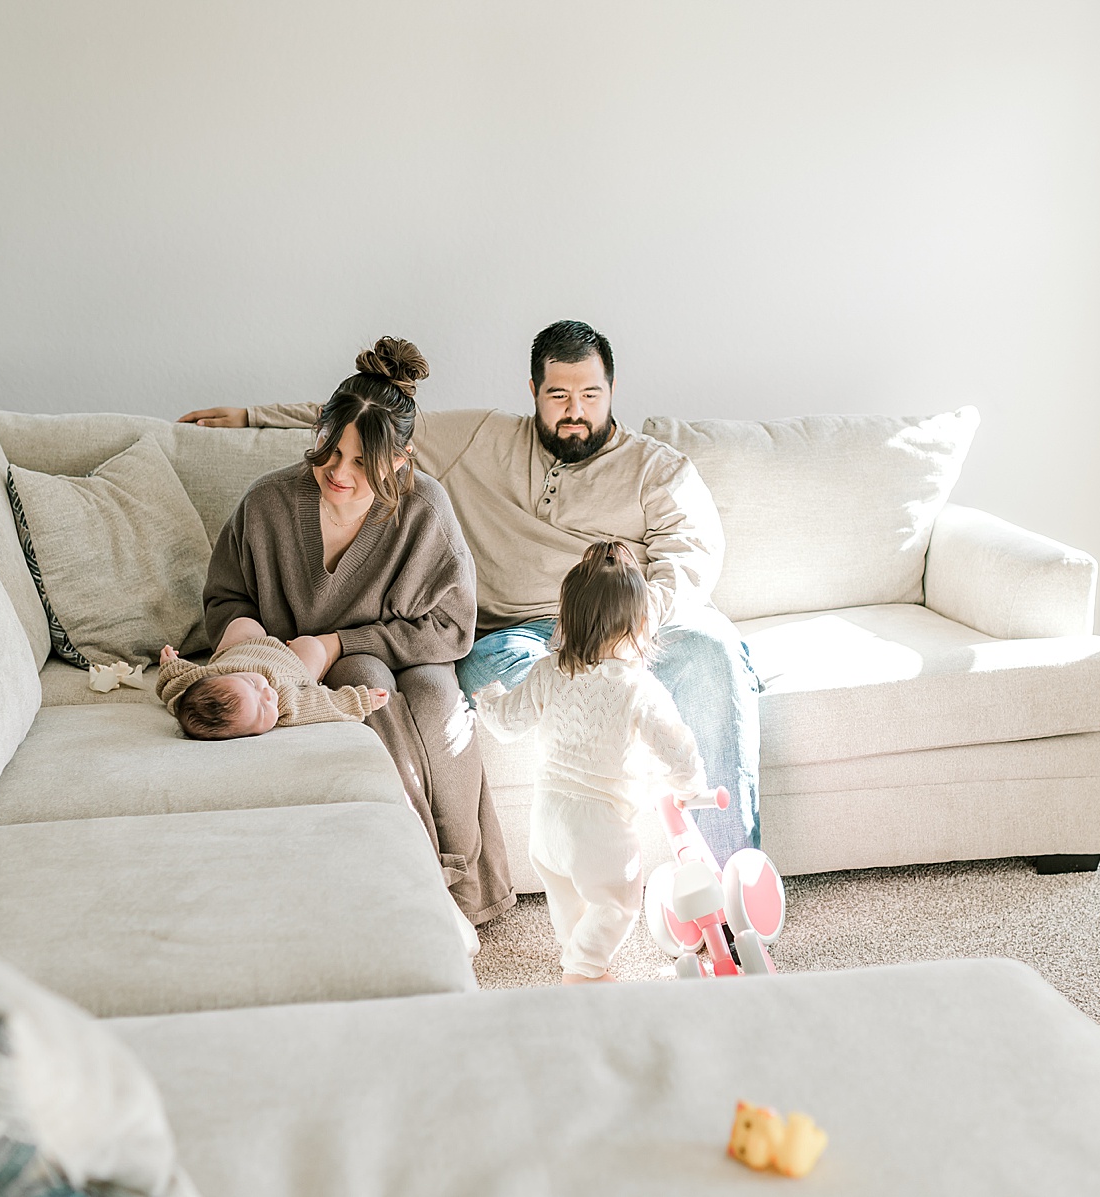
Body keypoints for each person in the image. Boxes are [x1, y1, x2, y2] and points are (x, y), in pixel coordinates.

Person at [179, 320, 762, 863]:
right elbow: (373, 418)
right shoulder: (481, 439)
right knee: (486, 680)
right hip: (520, 636)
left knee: (714, 658)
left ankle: (729, 871)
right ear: (533, 390)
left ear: (612, 388)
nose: (575, 412)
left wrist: (629, 631)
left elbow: (691, 556)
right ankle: (584, 844)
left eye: (590, 394)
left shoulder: (655, 469)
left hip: (639, 624)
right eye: (558, 395)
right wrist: (252, 415)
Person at [197, 337, 514, 925]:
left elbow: (450, 625)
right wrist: (244, 635)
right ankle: (418, 878)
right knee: (369, 685)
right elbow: (225, 595)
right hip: (314, 666)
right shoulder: (267, 502)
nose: (338, 473)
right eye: (330, 450)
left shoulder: (426, 510)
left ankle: (466, 885)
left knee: (441, 701)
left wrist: (338, 641)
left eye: (362, 462)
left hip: (415, 651)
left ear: (400, 458)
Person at [472, 541, 722, 984]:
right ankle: (583, 970)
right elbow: (676, 747)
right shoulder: (638, 688)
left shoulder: (548, 671)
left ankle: (580, 956)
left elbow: (508, 724)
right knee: (617, 902)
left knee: (568, 896)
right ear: (641, 626)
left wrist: (488, 698)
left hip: (547, 818)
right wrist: (690, 787)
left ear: (567, 619)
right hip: (599, 826)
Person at [155, 616, 388, 740]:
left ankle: (251, 639)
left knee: (243, 624)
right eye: (263, 710)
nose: (267, 693)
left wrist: (169, 664)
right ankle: (299, 648)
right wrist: (362, 700)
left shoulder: (205, 678)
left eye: (253, 683)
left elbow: (174, 684)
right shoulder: (286, 703)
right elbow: (324, 704)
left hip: (244, 647)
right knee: (312, 647)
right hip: (291, 664)